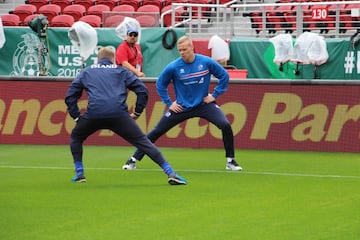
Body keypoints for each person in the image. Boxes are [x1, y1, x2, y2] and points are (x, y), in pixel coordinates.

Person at [65, 47, 187, 185]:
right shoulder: (121, 71)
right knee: (144, 142)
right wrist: (137, 112)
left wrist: (76, 117)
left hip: (94, 114)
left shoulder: (86, 72)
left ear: (98, 59)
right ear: (113, 59)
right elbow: (142, 90)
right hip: (119, 115)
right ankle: (170, 172)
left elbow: (70, 96)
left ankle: (80, 174)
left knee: (76, 137)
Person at [122, 35, 243, 171]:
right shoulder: (173, 67)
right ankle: (133, 160)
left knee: (225, 125)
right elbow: (160, 84)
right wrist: (169, 103)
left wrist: (214, 95)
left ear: (192, 48)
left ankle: (230, 161)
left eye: (184, 49)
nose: (182, 53)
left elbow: (224, 76)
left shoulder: (206, 62)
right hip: (181, 107)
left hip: (204, 105)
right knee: (156, 131)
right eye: (180, 50)